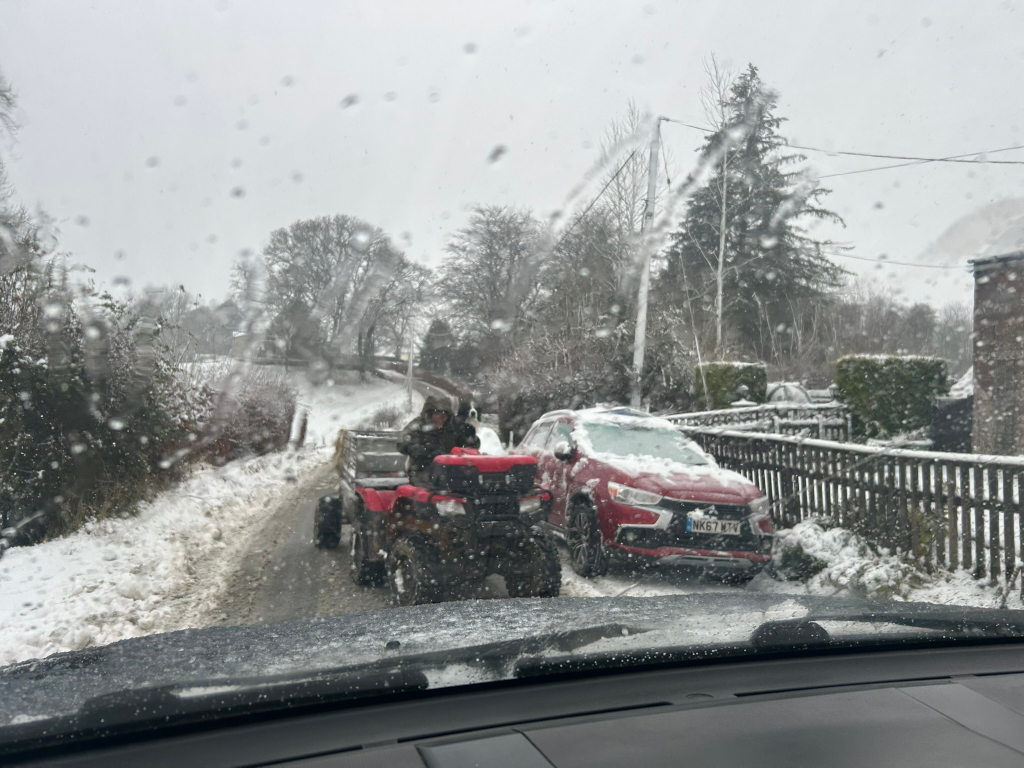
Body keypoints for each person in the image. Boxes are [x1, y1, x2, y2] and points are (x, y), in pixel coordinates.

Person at [397, 395, 470, 484]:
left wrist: (471, 438)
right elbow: (402, 441)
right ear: (430, 414)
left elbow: (468, 445)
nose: (442, 418)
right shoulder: (418, 426)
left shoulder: (453, 428)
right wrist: (420, 449)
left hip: (450, 472)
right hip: (422, 471)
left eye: (445, 414)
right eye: (438, 414)